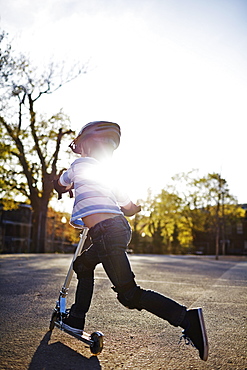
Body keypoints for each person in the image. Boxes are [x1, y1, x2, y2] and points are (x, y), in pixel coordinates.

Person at [53, 121, 208, 361]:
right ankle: (76, 317)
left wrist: (60, 186)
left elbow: (62, 182)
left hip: (106, 232)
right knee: (82, 265)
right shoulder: (106, 173)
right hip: (115, 229)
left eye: (80, 146)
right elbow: (125, 203)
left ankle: (187, 319)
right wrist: (133, 208)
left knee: (129, 294)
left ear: (86, 145)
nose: (80, 151)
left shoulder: (79, 164)